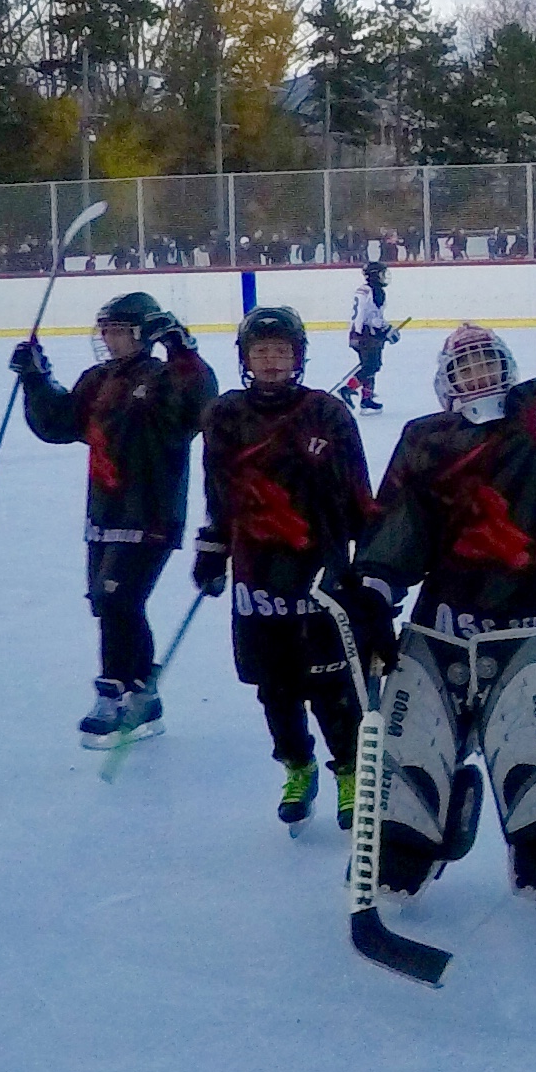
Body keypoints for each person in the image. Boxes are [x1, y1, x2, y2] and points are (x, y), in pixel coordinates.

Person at [355, 208, 536, 895]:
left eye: (488, 359)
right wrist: (373, 587)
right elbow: (400, 522)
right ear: (445, 382)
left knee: (534, 754)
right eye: (466, 364)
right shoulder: (426, 438)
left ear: (508, 368)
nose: (479, 372)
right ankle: (398, 861)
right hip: (445, 624)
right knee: (413, 751)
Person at [191, 304, 376, 828]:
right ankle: (297, 765)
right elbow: (218, 491)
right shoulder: (225, 415)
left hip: (320, 571)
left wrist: (371, 565)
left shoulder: (328, 413)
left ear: (298, 357)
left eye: (281, 352)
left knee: (331, 683)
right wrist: (213, 545)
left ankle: (349, 772)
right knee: (274, 685)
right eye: (261, 352)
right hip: (257, 573)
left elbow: (358, 490)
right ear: (246, 358)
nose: (272, 362)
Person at [13, 289, 217, 738]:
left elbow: (201, 406)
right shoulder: (97, 380)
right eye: (105, 329)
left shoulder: (166, 378)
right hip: (104, 510)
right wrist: (36, 379)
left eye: (120, 330)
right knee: (108, 605)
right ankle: (136, 691)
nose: (109, 338)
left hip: (152, 512)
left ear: (144, 334)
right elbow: (61, 423)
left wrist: (184, 350)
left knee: (119, 599)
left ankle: (122, 690)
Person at [341, 259, 396, 413]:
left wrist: (385, 328)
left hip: (369, 333)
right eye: (381, 273)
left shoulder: (377, 291)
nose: (384, 276)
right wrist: (358, 334)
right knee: (371, 366)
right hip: (364, 334)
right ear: (374, 275)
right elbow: (362, 315)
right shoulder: (366, 291)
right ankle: (348, 389)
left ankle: (366, 399)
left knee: (371, 365)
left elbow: (375, 315)